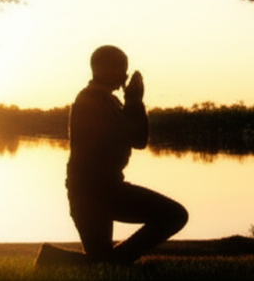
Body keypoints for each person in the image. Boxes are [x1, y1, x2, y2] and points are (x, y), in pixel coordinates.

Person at [36, 45, 188, 267]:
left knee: (173, 216)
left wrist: (135, 101)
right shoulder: (87, 101)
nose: (125, 76)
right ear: (101, 69)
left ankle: (55, 260)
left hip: (110, 188)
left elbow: (139, 141)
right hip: (89, 192)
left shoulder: (113, 101)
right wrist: (133, 103)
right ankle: (60, 260)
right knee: (102, 262)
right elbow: (116, 138)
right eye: (121, 69)